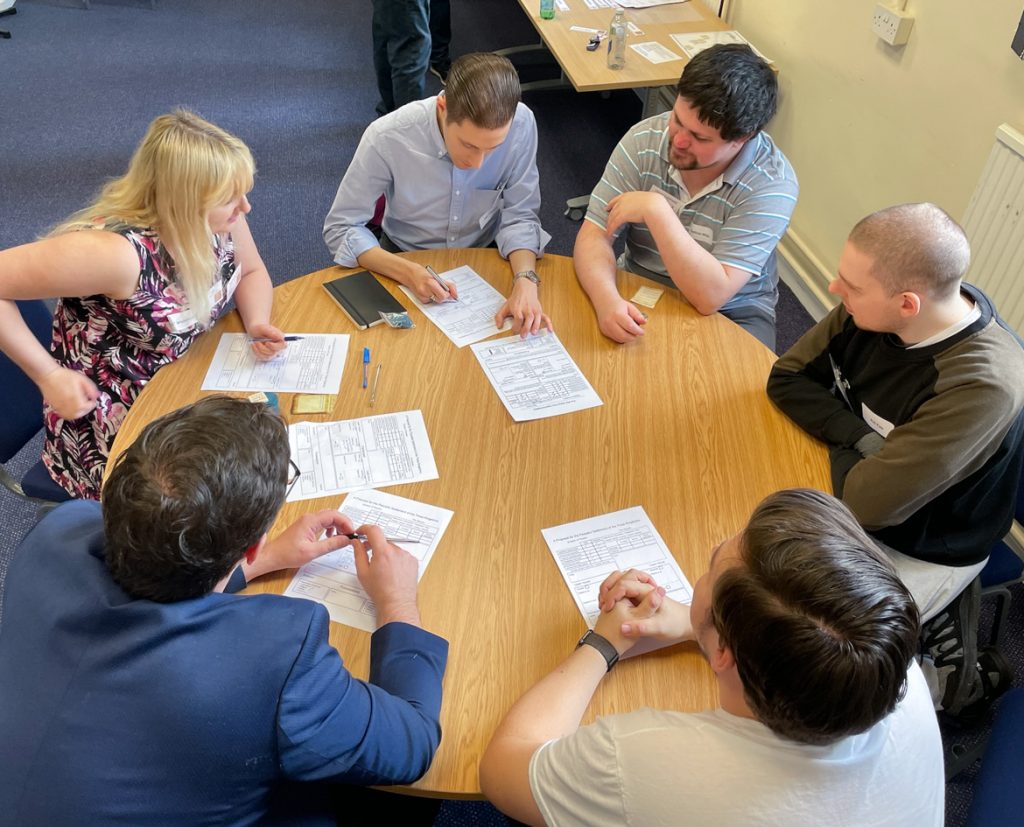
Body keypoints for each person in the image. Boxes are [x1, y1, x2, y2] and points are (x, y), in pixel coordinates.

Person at [0, 396, 448, 824]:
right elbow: (411, 744)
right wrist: (397, 602)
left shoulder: (58, 529)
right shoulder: (273, 661)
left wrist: (267, 562)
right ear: (252, 545)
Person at [480, 489, 943, 827]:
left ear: (725, 651)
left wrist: (604, 643)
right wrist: (696, 626)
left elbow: (503, 769)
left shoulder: (645, 761)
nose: (711, 552)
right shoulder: (883, 648)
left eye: (713, 564)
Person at [767, 203, 1024, 716]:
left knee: (810, 671)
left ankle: (952, 682)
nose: (835, 291)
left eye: (852, 287)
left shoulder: (981, 385)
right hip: (862, 483)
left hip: (928, 540)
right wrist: (864, 443)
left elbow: (868, 504)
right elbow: (787, 379)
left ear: (908, 304)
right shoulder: (870, 306)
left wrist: (864, 463)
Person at [0, 109, 286, 501]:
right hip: (113, 420)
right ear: (184, 202)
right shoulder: (115, 255)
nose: (245, 208)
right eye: (230, 199)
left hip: (182, 382)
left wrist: (256, 323)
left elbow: (250, 271)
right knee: (227, 501)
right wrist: (48, 375)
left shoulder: (219, 218)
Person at [574, 44, 797, 351]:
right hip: (642, 280)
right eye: (678, 119)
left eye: (700, 137)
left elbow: (709, 297)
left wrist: (657, 211)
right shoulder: (645, 139)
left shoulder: (772, 184)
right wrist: (607, 300)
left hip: (733, 308)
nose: (677, 139)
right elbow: (593, 236)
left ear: (741, 140)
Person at [325, 52, 552, 337]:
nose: (479, 163)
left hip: (485, 254)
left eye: (493, 148)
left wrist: (526, 281)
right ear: (443, 107)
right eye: (469, 145)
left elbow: (520, 215)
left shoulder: (521, 125)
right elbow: (341, 227)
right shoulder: (388, 136)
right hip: (403, 255)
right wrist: (407, 271)